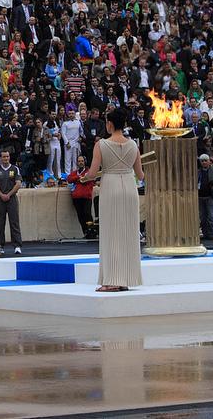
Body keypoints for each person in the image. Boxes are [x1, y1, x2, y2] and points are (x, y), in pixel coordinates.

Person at [82, 108, 145, 292]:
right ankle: (125, 278)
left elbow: (92, 173)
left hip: (110, 186)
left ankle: (111, 280)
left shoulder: (101, 144)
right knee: (128, 233)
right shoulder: (133, 145)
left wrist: (85, 178)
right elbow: (140, 175)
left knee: (110, 232)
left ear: (109, 124)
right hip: (129, 186)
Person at [0, 151, 22, 256]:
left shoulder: (15, 169)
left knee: (14, 222)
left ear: (9, 157)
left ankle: (17, 246)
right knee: (0, 223)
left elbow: (18, 184)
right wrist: (1, 194)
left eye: (7, 156)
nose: (6, 158)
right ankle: (0, 246)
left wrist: (9, 194)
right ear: (0, 158)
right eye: (4, 157)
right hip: (0, 199)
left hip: (12, 198)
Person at [66, 156, 96, 238]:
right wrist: (78, 178)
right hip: (76, 197)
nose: (81, 162)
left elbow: (90, 179)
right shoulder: (75, 172)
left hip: (86, 197)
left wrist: (80, 179)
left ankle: (91, 231)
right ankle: (85, 232)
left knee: (87, 213)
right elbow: (69, 179)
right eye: (79, 161)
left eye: (82, 161)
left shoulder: (89, 171)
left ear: (85, 162)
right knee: (80, 215)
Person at [197, 154, 213, 242]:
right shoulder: (198, 172)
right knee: (202, 217)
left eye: (205, 160)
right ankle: (205, 234)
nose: (204, 162)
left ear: (209, 161)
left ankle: (211, 234)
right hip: (200, 197)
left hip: (210, 197)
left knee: (210, 217)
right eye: (202, 161)